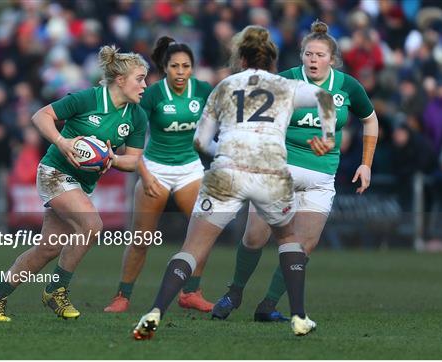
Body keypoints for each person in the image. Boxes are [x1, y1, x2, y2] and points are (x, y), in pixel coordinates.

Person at [133, 25, 337, 339]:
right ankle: (299, 316)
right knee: (287, 239)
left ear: (240, 58)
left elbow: (200, 141)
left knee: (193, 248)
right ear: (272, 59)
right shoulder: (285, 85)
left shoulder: (225, 86)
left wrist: (224, 150)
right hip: (271, 173)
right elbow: (325, 97)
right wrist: (326, 136)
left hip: (226, 172)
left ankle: (156, 309)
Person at [211, 21, 379, 323]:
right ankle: (234, 292)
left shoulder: (347, 86)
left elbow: (370, 120)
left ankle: (268, 305)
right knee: (254, 237)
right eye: (308, 54)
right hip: (278, 170)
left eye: (320, 55)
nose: (313, 60)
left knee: (303, 246)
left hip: (321, 177)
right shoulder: (285, 81)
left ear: (332, 59)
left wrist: (366, 163)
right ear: (301, 56)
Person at [0, 45, 149, 322]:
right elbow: (40, 116)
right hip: (54, 172)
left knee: (48, 248)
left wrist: (112, 159)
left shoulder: (136, 116)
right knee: (92, 225)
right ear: (120, 80)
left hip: (79, 184)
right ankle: (56, 291)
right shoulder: (89, 99)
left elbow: (133, 161)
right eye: (140, 78)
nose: (145, 85)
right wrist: (63, 142)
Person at [104, 37, 215, 313]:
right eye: (175, 66)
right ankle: (122, 296)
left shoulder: (203, 90)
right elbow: (134, 136)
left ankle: (191, 292)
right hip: (154, 168)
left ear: (193, 68)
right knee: (141, 239)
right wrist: (145, 174)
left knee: (203, 232)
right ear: (165, 67)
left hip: (190, 169)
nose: (180, 71)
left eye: (186, 66)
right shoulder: (152, 94)